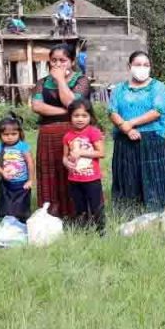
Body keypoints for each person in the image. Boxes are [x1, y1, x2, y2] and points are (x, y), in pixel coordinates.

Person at [108, 51, 165, 213]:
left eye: (146, 65)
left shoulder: (158, 87)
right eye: (138, 64)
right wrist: (125, 128)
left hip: (152, 139)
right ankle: (126, 211)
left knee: (152, 177)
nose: (142, 68)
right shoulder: (119, 89)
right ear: (129, 66)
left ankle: (157, 210)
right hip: (124, 139)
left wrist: (130, 124)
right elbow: (112, 111)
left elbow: (157, 111)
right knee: (127, 176)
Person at [31, 44, 91, 217]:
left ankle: (75, 213)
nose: (57, 64)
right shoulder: (42, 82)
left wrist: (60, 81)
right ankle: (50, 212)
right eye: (54, 60)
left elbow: (73, 103)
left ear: (71, 62)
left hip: (73, 135)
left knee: (73, 170)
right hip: (47, 135)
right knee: (49, 172)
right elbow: (37, 106)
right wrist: (67, 112)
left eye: (63, 60)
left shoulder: (81, 80)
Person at [62, 100, 105, 233]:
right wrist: (66, 163)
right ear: (70, 117)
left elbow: (101, 153)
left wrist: (81, 152)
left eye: (84, 116)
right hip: (74, 179)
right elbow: (65, 156)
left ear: (90, 117)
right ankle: (84, 230)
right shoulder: (68, 136)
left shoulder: (93, 132)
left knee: (96, 206)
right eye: (76, 116)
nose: (80, 119)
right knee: (80, 207)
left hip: (92, 179)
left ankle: (101, 231)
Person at [0, 114, 35, 222]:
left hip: (22, 182)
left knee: (21, 204)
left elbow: (30, 163)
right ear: (0, 135)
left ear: (19, 133)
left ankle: (21, 220)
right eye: (6, 134)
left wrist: (30, 180)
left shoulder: (23, 146)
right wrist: (3, 172)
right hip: (6, 182)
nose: (10, 137)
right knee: (6, 201)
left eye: (14, 134)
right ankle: (7, 218)